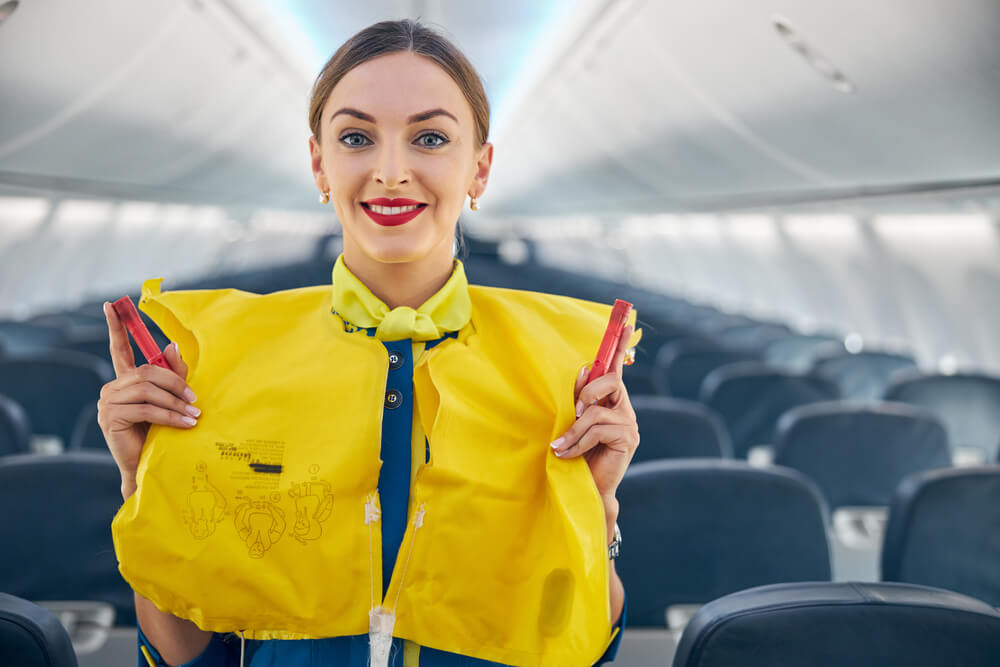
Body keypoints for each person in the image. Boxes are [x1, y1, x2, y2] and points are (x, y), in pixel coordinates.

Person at [98, 19, 638, 667]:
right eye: (356, 138)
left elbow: (580, 651)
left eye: (430, 139)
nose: (390, 172)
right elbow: (194, 656)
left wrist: (596, 508)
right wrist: (145, 484)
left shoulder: (555, 369)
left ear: (480, 169)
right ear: (320, 164)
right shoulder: (229, 365)